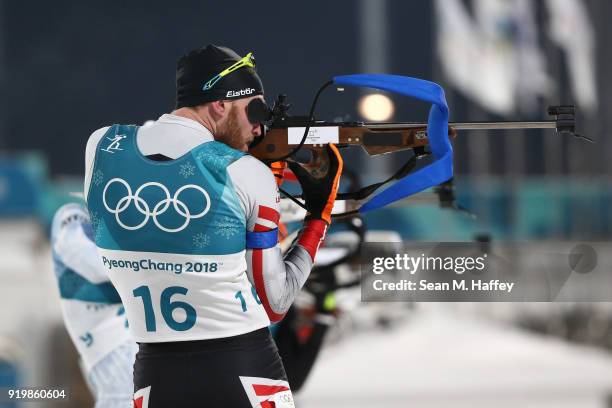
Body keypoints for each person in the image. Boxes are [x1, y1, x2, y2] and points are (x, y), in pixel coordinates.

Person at [83, 44, 342, 407]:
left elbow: (174, 170)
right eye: (255, 107)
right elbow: (275, 303)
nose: (259, 124)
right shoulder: (244, 172)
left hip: (154, 372)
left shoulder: (101, 147)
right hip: (242, 364)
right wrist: (318, 218)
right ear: (219, 104)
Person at [50, 203, 137, 408]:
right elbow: (92, 263)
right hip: (109, 347)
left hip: (140, 339)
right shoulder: (73, 214)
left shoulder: (134, 219)